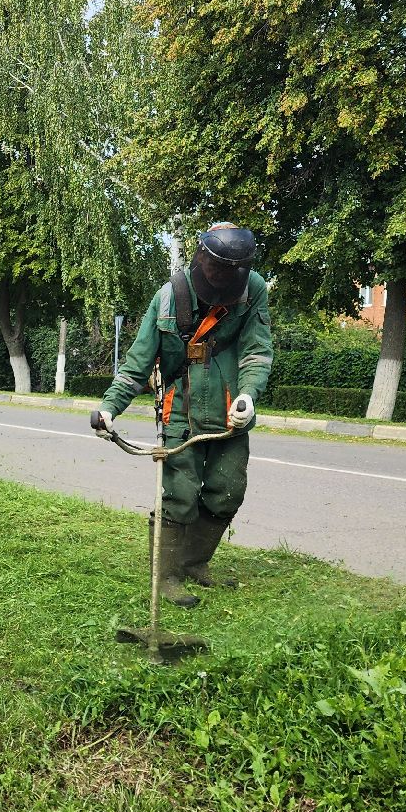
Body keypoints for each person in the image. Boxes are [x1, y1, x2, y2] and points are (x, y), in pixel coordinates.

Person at [92, 222, 273, 608]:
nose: (223, 278)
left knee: (227, 491)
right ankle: (168, 577)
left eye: (232, 272)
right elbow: (138, 363)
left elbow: (257, 350)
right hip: (181, 409)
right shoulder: (169, 297)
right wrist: (109, 408)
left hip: (230, 413)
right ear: (202, 257)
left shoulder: (253, 289)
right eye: (217, 269)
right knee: (181, 494)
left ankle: (194, 564)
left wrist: (248, 396)